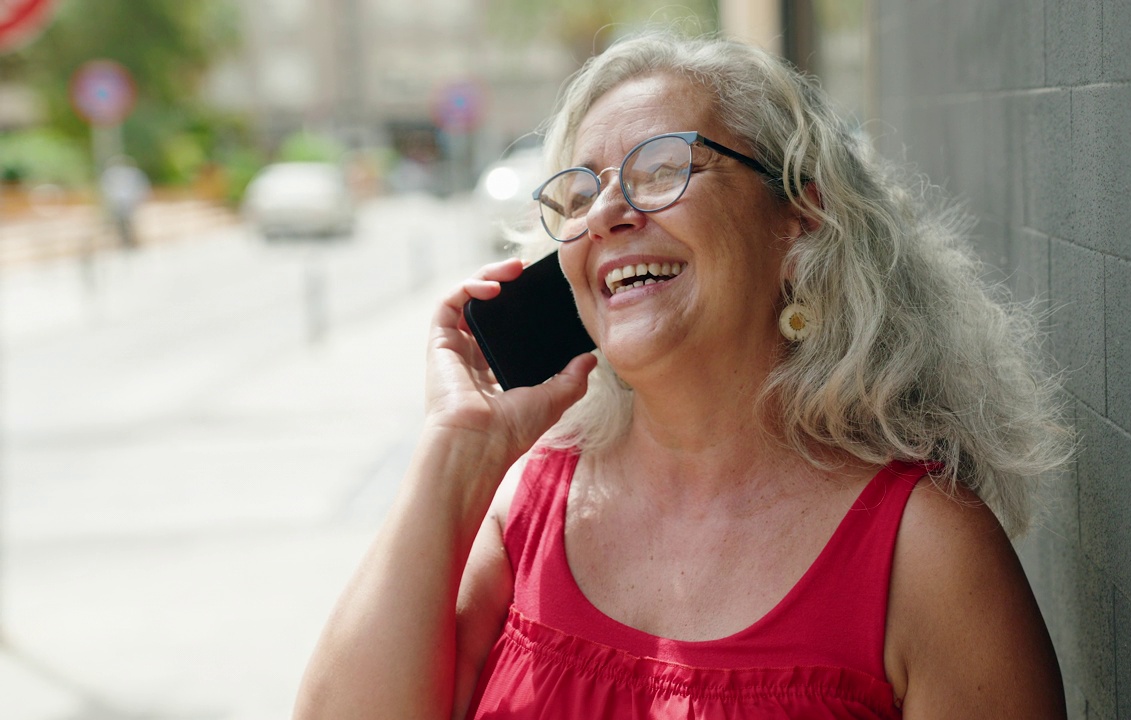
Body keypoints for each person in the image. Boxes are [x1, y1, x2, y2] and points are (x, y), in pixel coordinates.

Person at [293, 30, 1073, 720]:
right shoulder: (528, 512)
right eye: (580, 191)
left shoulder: (926, 550)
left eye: (661, 168)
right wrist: (453, 451)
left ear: (799, 217)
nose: (605, 215)